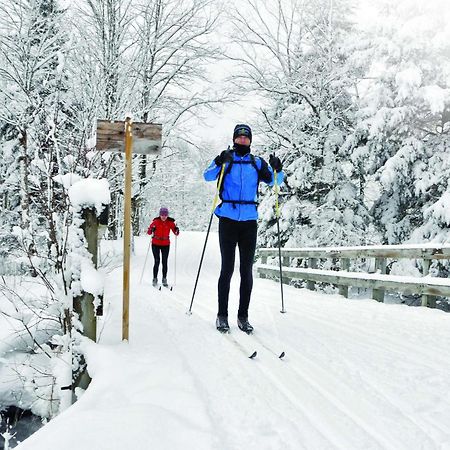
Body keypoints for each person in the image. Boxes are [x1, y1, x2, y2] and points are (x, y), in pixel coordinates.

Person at [204, 124, 284, 333]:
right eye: (238, 137)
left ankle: (243, 316)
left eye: (245, 138)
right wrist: (218, 161)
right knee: (227, 269)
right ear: (234, 139)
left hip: (249, 222)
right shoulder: (227, 161)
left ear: (250, 141)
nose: (242, 140)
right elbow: (207, 176)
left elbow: (275, 182)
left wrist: (278, 168)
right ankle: (222, 316)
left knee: (246, 270)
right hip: (228, 220)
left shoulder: (256, 163)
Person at [147, 207, 179, 287]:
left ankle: (164, 279)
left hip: (165, 244)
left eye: (165, 215)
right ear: (160, 215)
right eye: (162, 215)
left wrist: (176, 230)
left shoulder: (170, 222)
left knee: (164, 262)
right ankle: (155, 278)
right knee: (157, 261)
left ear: (167, 215)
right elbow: (149, 232)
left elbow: (176, 233)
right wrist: (152, 229)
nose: (164, 217)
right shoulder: (155, 222)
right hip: (155, 244)